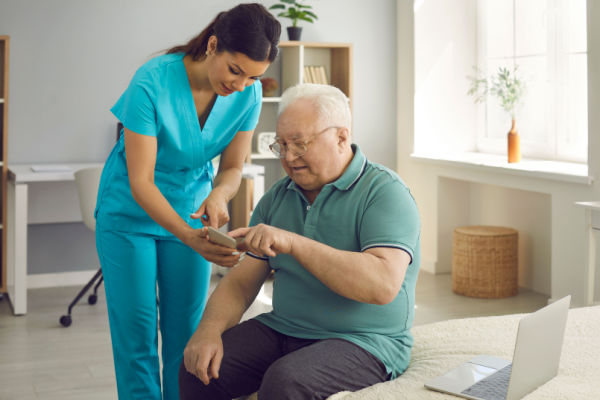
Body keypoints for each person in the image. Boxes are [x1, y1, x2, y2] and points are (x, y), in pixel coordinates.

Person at [178, 83, 421, 400]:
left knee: (286, 381)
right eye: (281, 145)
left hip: (367, 341)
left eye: (300, 144)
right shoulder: (278, 198)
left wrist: (293, 243)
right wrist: (208, 330)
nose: (289, 157)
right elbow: (241, 283)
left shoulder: (385, 192)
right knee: (199, 369)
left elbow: (382, 285)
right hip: (285, 328)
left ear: (341, 137)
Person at [94, 4, 281, 399]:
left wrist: (219, 193)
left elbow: (232, 167)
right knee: (136, 334)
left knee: (187, 333)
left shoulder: (247, 95)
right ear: (213, 45)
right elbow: (141, 182)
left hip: (192, 213)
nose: (242, 84)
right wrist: (187, 235)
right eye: (235, 70)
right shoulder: (152, 81)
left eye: (253, 76)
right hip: (130, 213)